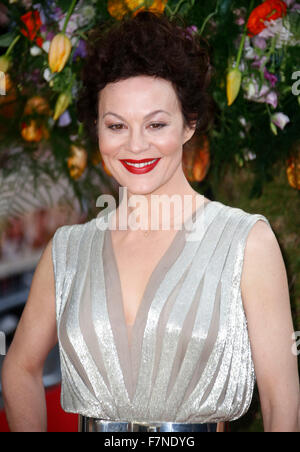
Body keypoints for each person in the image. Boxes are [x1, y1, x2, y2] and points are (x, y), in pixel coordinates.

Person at [1, 11, 299, 433]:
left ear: (189, 125)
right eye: (117, 126)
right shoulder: (67, 251)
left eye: (156, 124)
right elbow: (20, 369)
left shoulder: (245, 241)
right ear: (98, 131)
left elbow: (280, 401)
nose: (136, 144)